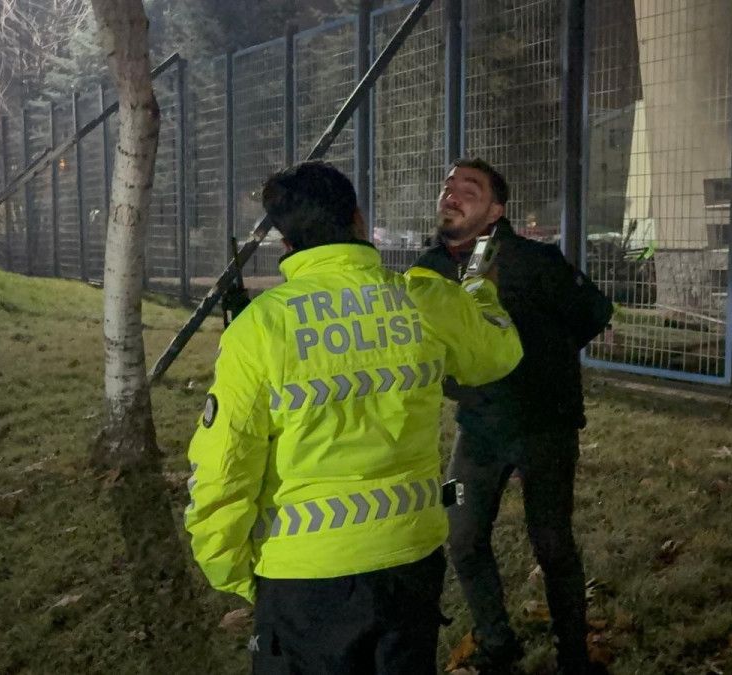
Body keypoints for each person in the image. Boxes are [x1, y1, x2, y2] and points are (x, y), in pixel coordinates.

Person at [184, 161, 523, 674]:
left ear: (287, 243)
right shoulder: (423, 299)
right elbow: (498, 352)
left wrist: (233, 570)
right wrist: (478, 288)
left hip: (302, 578)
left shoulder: (261, 328)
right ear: (358, 221)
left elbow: (225, 467)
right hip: (409, 562)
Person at [412, 158, 614, 675]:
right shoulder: (429, 269)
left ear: (496, 210)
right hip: (476, 428)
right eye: (448, 185)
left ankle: (574, 655)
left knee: (552, 543)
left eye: (470, 188)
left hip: (545, 426)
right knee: (461, 535)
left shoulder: (533, 260)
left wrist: (546, 361)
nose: (452, 194)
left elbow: (593, 313)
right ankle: (497, 643)